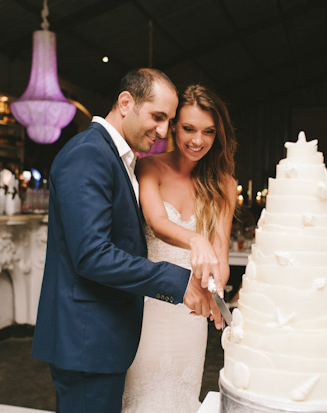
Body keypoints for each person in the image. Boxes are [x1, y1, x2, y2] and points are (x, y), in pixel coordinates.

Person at [31, 69, 222, 413]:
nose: (164, 131)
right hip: (86, 340)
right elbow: (92, 255)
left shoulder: (116, 159)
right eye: (157, 117)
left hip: (101, 340)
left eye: (168, 121)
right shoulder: (88, 154)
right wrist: (179, 282)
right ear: (125, 103)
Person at [121, 84, 237, 412]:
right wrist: (195, 239)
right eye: (188, 129)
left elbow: (221, 253)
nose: (197, 140)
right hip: (150, 308)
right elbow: (158, 222)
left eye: (208, 132)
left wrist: (214, 284)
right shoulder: (150, 166)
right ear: (173, 127)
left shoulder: (224, 184)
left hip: (191, 316)